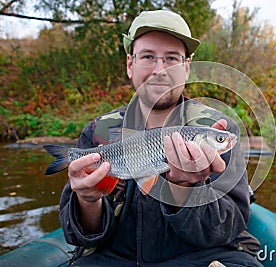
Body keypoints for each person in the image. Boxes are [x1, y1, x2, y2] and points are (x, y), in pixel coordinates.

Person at [59, 9, 262, 267]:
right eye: (147, 56)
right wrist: (88, 200)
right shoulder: (98, 131)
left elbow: (228, 228)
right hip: (117, 258)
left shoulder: (217, 128)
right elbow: (78, 235)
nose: (160, 70)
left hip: (200, 258)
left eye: (172, 58)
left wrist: (184, 190)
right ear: (130, 65)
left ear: (187, 67)